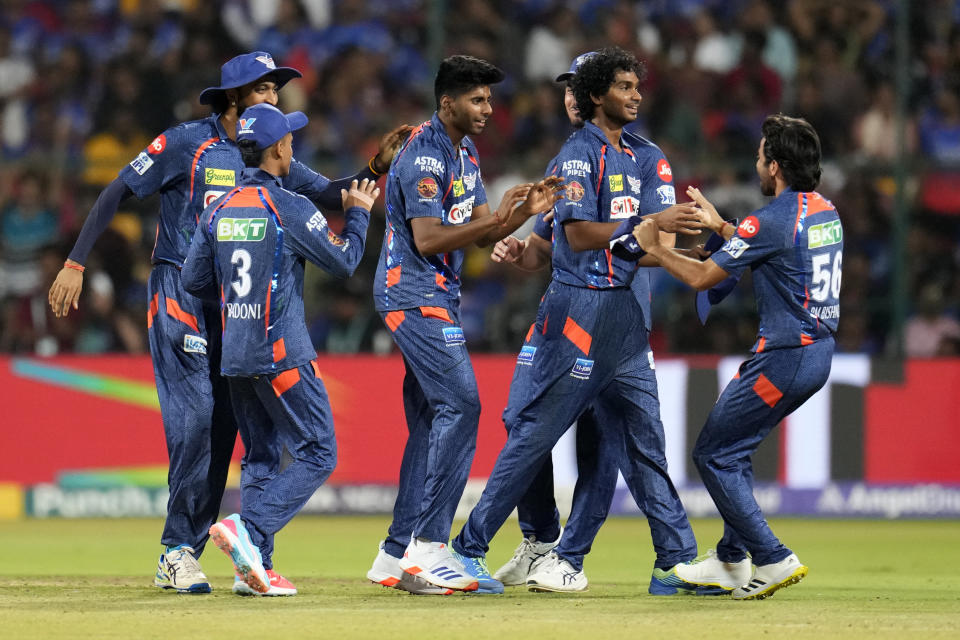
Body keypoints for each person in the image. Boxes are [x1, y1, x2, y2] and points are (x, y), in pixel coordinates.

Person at [46, 51, 409, 594]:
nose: (276, 98)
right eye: (265, 89)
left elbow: (336, 192)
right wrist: (76, 262)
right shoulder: (185, 143)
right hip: (180, 293)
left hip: (232, 307)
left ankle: (236, 554)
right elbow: (118, 189)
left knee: (226, 430)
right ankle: (176, 552)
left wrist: (376, 168)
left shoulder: (268, 152)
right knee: (194, 421)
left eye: (278, 89)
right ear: (236, 96)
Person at [443, 47, 707, 595]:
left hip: (626, 313)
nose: (636, 95)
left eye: (638, 87)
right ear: (594, 95)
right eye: (624, 86)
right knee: (532, 424)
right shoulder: (574, 157)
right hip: (579, 306)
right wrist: (526, 253)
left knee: (640, 442)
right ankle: (483, 548)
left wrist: (653, 232)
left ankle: (671, 563)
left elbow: (660, 236)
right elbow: (572, 239)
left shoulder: (648, 156)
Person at [365, 54, 563, 595]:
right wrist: (499, 219)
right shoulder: (424, 156)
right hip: (412, 294)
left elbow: (480, 232)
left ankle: (392, 553)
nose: (487, 108)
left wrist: (520, 215)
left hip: (437, 297)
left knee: (432, 421)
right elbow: (428, 239)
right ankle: (430, 550)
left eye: (490, 99)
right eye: (476, 100)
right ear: (447, 102)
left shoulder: (465, 152)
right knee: (463, 404)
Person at [631, 114, 841, 600]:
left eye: (761, 156)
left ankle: (771, 557)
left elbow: (704, 277)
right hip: (818, 354)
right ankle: (729, 560)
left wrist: (656, 252)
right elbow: (775, 248)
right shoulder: (823, 210)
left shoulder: (768, 219)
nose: (756, 163)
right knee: (736, 448)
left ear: (776, 166)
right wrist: (721, 225)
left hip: (784, 358)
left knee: (713, 454)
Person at [181, 103, 377, 596]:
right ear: (279, 149)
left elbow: (193, 280)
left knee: (262, 456)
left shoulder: (219, 207)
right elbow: (346, 262)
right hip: (281, 354)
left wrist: (238, 304)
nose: (293, 144)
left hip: (236, 356)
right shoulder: (289, 207)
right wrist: (358, 216)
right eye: (290, 138)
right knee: (318, 451)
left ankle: (256, 569)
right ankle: (250, 529)